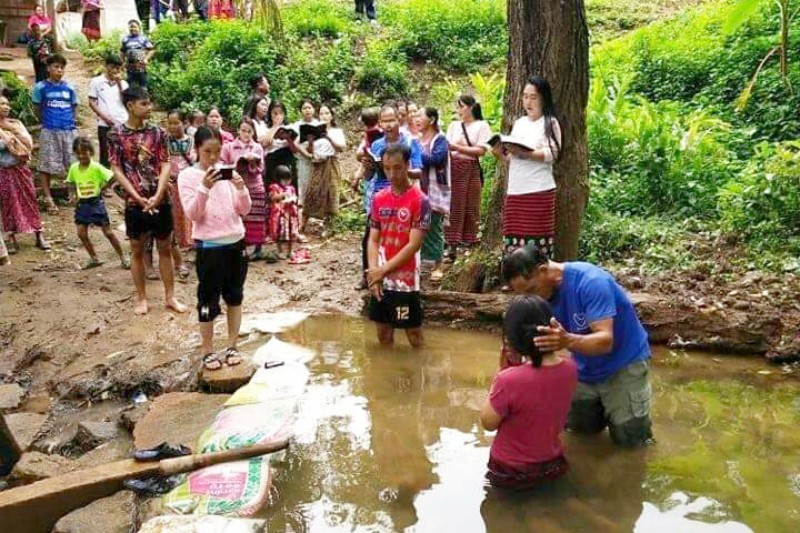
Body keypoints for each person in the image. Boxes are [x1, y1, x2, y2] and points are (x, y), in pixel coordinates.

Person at [502, 244, 654, 447]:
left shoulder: (590, 282)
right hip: (583, 368)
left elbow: (604, 341)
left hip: (623, 365)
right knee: (579, 435)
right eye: (525, 295)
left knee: (632, 441)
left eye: (532, 290)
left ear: (544, 271)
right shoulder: (542, 294)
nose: (533, 299)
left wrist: (567, 341)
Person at [480, 295, 578, 490]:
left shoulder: (508, 379)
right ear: (552, 327)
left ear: (512, 339)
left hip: (510, 470)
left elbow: (488, 423)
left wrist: (503, 371)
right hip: (553, 464)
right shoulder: (571, 368)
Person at [108, 86, 188, 315]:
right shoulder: (116, 134)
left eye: (149, 103)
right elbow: (116, 168)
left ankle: (170, 297)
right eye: (144, 104)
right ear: (130, 105)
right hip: (135, 202)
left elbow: (165, 164)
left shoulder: (158, 133)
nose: (149, 107)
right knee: (136, 248)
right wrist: (136, 196)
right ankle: (142, 298)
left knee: (165, 245)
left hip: (159, 198)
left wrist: (158, 193)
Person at [179, 126, 250, 370]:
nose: (213, 157)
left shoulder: (226, 172)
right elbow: (192, 214)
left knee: (235, 296)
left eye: (217, 151)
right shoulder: (188, 176)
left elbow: (244, 210)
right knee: (207, 300)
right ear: (197, 149)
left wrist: (241, 189)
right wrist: (205, 187)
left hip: (236, 242)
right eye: (207, 151)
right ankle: (208, 350)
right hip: (209, 246)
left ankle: (232, 346)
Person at [367, 143, 431, 348]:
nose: (392, 174)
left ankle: (416, 376)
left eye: (397, 168)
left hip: (406, 279)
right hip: (381, 275)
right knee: (383, 333)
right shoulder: (378, 199)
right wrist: (374, 274)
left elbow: (414, 245)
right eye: (387, 168)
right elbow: (374, 239)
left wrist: (381, 271)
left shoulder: (420, 201)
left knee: (413, 334)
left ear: (407, 165)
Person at [492, 76, 562, 258]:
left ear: (543, 98)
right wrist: (501, 154)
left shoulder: (550, 123)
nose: (528, 102)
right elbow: (514, 158)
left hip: (539, 190)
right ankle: (516, 278)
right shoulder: (519, 124)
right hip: (516, 190)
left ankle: (539, 281)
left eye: (533, 97)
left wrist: (526, 153)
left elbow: (552, 154)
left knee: (537, 239)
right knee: (514, 238)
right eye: (525, 97)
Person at [356, 104, 422, 289]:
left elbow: (419, 170)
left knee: (402, 237)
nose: (388, 125)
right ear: (379, 123)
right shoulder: (376, 145)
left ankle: (402, 275)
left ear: (399, 120)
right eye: (384, 121)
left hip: (404, 195)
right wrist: (368, 167)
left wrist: (403, 170)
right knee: (371, 236)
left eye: (392, 120)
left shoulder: (410, 142)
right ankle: (369, 273)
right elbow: (370, 177)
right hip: (380, 195)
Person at [0, 90, 50, 254]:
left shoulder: (16, 123)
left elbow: (28, 143)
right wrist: (8, 142)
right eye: (2, 104)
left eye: (7, 104)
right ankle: (12, 238)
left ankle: (38, 234)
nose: (6, 107)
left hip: (20, 167)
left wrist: (13, 141)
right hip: (4, 170)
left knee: (30, 199)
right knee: (8, 203)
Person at [66, 137, 128, 269]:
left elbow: (112, 176)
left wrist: (104, 187)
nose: (82, 156)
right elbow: (71, 182)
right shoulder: (74, 168)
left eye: (84, 152)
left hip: (96, 203)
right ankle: (94, 258)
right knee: (81, 233)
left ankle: (123, 257)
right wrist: (72, 194)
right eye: (78, 153)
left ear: (91, 152)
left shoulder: (96, 167)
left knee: (108, 233)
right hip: (82, 204)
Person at [445, 94, 490, 262]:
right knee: (455, 207)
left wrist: (457, 147)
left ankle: (471, 244)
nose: (459, 111)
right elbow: (447, 147)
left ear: (471, 107)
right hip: (454, 168)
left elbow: (481, 150)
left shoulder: (482, 125)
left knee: (472, 206)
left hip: (471, 169)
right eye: (458, 107)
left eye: (462, 106)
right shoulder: (454, 125)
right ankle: (452, 246)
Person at [32, 53, 78, 214]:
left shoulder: (70, 87)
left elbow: (73, 108)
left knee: (74, 163)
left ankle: (75, 194)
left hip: (68, 130)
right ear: (48, 68)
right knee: (46, 165)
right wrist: (46, 122)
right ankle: (48, 198)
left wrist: (71, 124)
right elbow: (37, 109)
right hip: (49, 130)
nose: (59, 70)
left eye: (61, 67)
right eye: (56, 67)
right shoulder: (40, 87)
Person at [221, 117, 267, 260]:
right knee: (240, 218)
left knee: (256, 218)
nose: (246, 134)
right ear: (238, 131)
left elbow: (262, 169)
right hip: (236, 187)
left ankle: (258, 248)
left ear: (253, 132)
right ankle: (241, 248)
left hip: (255, 186)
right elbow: (223, 168)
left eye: (249, 131)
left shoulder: (257, 147)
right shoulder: (228, 147)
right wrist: (237, 164)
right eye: (243, 131)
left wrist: (252, 163)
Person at [417, 107, 450, 281]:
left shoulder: (440, 139)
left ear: (431, 119)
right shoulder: (417, 140)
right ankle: (421, 261)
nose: (417, 119)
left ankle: (438, 264)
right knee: (418, 226)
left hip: (434, 190)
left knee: (434, 226)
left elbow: (437, 159)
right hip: (418, 188)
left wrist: (416, 155)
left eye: (420, 116)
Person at [88, 54, 128, 170]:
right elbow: (91, 102)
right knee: (105, 154)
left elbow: (126, 101)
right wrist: (104, 118)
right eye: (112, 67)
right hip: (104, 124)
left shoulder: (124, 84)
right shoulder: (96, 81)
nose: (115, 70)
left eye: (118, 68)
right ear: (106, 66)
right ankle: (105, 182)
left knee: (123, 153)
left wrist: (119, 83)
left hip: (122, 122)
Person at [166, 109, 194, 254]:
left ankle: (190, 241)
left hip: (187, 183)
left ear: (185, 123)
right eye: (169, 123)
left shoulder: (191, 141)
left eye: (176, 123)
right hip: (170, 184)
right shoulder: (164, 141)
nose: (172, 126)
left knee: (188, 211)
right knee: (174, 213)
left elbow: (194, 162)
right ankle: (176, 242)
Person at [268, 165, 300, 260]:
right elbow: (273, 198)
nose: (287, 182)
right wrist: (282, 195)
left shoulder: (291, 188)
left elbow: (294, 197)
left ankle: (290, 251)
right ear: (278, 179)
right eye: (284, 180)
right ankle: (280, 251)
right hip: (280, 215)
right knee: (279, 233)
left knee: (291, 233)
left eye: (288, 179)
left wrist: (293, 199)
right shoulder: (274, 187)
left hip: (290, 214)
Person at [293, 99, 317, 225]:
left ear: (314, 109)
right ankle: (301, 219)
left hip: (317, 161)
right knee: (303, 186)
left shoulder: (319, 124)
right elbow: (295, 145)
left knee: (316, 187)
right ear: (301, 111)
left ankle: (315, 216)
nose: (307, 110)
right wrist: (306, 153)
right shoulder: (297, 126)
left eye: (309, 107)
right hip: (303, 160)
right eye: (304, 108)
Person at [121, 20, 155, 89]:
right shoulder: (125, 39)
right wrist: (123, 62)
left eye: (135, 27)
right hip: (130, 67)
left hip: (141, 67)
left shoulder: (143, 38)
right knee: (131, 87)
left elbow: (151, 50)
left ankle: (144, 98)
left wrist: (146, 59)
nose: (133, 29)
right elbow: (122, 52)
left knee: (143, 87)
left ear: (139, 28)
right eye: (131, 27)